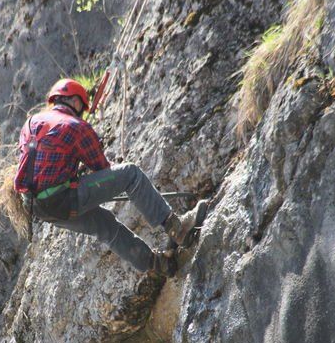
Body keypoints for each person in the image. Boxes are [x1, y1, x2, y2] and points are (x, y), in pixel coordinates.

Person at [13, 78, 207, 277]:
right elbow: (101, 167)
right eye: (82, 107)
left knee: (104, 224)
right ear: (76, 102)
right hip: (64, 198)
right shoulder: (77, 126)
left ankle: (159, 265)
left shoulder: (31, 123)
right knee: (131, 175)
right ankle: (178, 230)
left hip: (37, 207)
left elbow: (40, 163)